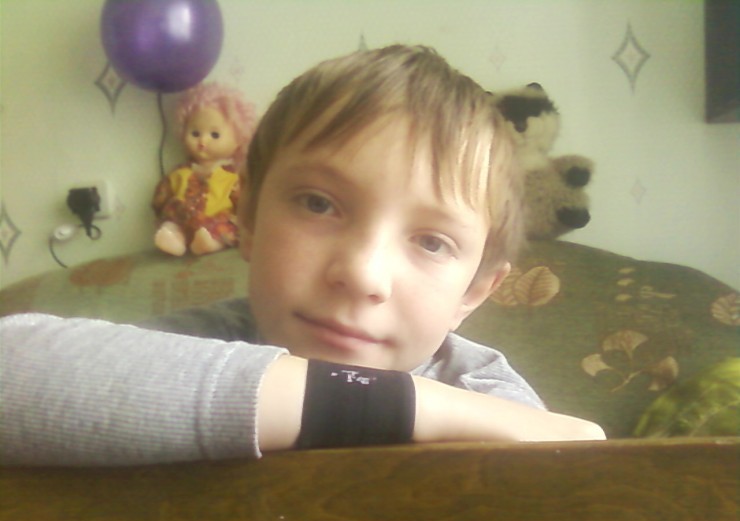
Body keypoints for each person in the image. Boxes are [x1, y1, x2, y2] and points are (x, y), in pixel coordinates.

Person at [1, 45, 605, 467]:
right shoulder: (204, 343)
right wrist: (400, 407)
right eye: (319, 204)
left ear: (472, 292)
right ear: (247, 219)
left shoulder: (481, 387)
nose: (362, 274)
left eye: (431, 241)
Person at [153, 82, 257, 256]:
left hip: (217, 219)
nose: (202, 142)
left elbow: (244, 203)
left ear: (239, 140)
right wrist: (160, 201)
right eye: (195, 133)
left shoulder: (233, 177)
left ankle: (210, 242)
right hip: (183, 217)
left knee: (228, 226)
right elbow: (163, 194)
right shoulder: (181, 172)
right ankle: (173, 237)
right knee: (172, 221)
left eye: (214, 135)